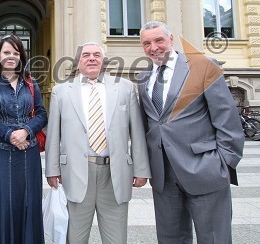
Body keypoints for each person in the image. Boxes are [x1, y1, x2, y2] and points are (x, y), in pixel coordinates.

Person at [137, 21, 244, 243]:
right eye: (147, 43)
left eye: (159, 40)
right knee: (170, 239)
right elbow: (148, 124)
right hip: (163, 175)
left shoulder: (202, 67)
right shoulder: (143, 77)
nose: (153, 47)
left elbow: (227, 118)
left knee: (214, 238)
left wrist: (224, 162)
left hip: (206, 169)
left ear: (171, 39)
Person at [45, 42, 150, 244]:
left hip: (115, 173)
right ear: (78, 61)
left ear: (103, 60)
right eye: (86, 55)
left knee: (116, 238)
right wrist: (52, 169)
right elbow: (53, 135)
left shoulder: (125, 88)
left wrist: (141, 169)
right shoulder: (61, 91)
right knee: (75, 237)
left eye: (96, 55)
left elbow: (137, 131)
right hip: (76, 173)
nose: (91, 58)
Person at [0, 34, 48, 244]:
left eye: (16, 52)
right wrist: (9, 135)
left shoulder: (30, 83)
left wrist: (26, 131)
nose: (11, 56)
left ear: (21, 56)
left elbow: (41, 114)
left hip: (28, 154)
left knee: (27, 202)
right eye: (6, 52)